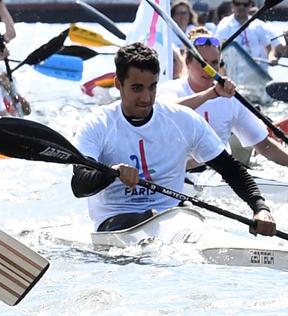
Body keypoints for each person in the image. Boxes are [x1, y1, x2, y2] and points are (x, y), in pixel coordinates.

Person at [70, 43, 276, 236]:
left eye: (152, 87)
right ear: (118, 84)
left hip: (174, 218)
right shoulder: (97, 124)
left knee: (191, 218)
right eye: (137, 88)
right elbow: (79, 185)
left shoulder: (182, 119)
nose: (146, 98)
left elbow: (230, 169)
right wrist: (112, 173)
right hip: (117, 222)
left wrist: (260, 207)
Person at [158, 28, 288, 171]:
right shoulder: (170, 89)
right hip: (179, 173)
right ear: (188, 62)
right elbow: (165, 111)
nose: (209, 70)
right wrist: (211, 93)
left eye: (214, 63)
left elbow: (265, 147)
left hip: (219, 175)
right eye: (203, 63)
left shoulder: (230, 98)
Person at [215, 0, 277, 69]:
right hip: (233, 73)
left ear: (250, 6)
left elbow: (268, 48)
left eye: (245, 4)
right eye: (238, 4)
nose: (241, 7)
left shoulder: (258, 25)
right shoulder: (224, 24)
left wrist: (272, 57)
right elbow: (217, 48)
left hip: (257, 73)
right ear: (233, 5)